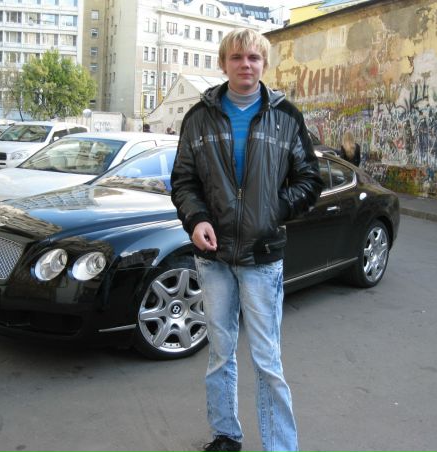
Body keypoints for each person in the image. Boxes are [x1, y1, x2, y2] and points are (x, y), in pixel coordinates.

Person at [171, 29, 323, 452]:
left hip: (263, 256)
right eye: (237, 57)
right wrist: (196, 219)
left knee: (267, 360)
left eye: (254, 57)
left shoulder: (286, 116)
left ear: (264, 64)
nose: (246, 64)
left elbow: (310, 179)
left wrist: (271, 211)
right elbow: (183, 181)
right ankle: (226, 435)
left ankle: (281, 447)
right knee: (220, 354)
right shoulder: (198, 118)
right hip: (213, 257)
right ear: (223, 63)